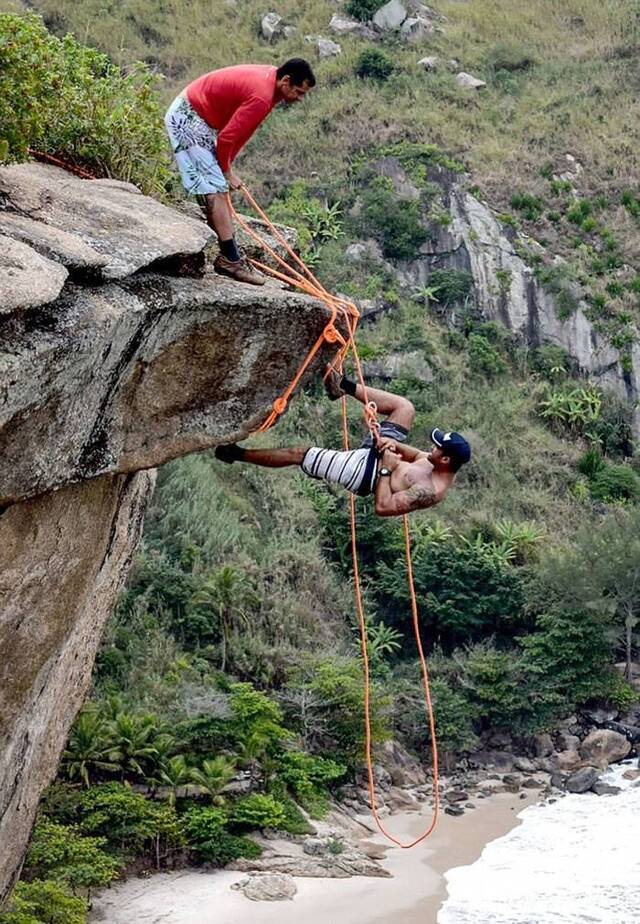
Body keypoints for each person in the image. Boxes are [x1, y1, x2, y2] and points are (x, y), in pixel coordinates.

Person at [215, 368, 471, 517]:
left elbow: (382, 507)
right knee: (405, 407)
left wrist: (385, 468)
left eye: (438, 448)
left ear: (446, 459)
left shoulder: (429, 491)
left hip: (366, 474)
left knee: (299, 454)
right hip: (383, 456)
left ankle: (236, 454)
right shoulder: (440, 464)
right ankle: (343, 386)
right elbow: (416, 455)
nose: (432, 449)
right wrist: (390, 446)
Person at [165, 59, 316, 285]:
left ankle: (227, 249)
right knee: (215, 189)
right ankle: (230, 259)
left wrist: (226, 168)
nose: (300, 98)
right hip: (188, 117)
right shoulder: (261, 97)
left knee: (216, 183)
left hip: (195, 113)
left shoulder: (269, 85)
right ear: (285, 80)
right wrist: (226, 172)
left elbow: (239, 134)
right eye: (298, 91)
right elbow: (226, 138)